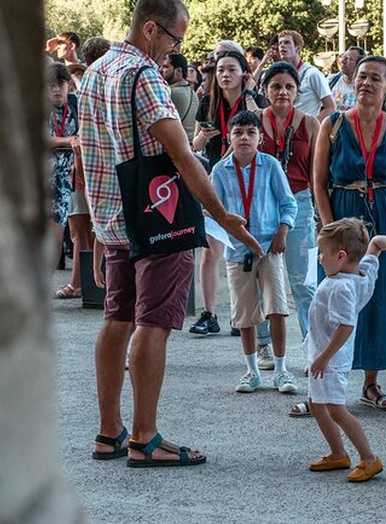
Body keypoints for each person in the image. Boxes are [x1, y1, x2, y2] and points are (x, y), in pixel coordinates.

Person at [79, 0, 260, 467]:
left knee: (116, 319)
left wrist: (100, 229)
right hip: (158, 218)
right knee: (153, 323)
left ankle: (108, 433)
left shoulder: (97, 70)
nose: (176, 49)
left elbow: (91, 153)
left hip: (114, 217)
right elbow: (181, 154)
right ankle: (145, 437)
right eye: (175, 39)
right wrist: (221, 213)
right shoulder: (144, 76)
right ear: (151, 28)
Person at [312, 56, 386, 412]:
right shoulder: (332, 124)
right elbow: (318, 180)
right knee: (336, 298)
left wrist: (384, 199)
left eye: (376, 78)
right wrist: (330, 228)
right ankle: (324, 379)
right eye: (361, 77)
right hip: (343, 214)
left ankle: (370, 383)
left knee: (378, 297)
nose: (366, 83)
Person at [305, 218, 386, 482]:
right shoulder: (361, 273)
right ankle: (338, 453)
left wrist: (323, 357)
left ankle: (369, 458)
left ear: (341, 255)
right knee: (316, 403)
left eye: (323, 252)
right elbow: (376, 244)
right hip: (322, 354)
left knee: (335, 409)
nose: (319, 258)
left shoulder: (342, 287)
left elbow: (346, 326)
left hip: (329, 358)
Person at [211, 110, 298, 394]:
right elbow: (215, 211)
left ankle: (283, 371)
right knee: (245, 315)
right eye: (238, 133)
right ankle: (251, 371)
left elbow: (288, 203)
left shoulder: (270, 165)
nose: (244, 138)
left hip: (270, 248)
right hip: (238, 252)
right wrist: (226, 231)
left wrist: (283, 230)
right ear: (229, 138)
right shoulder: (220, 171)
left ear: (260, 138)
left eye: (251, 132)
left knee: (277, 309)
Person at [190, 49, 265, 336]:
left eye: (232, 69)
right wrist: (202, 138)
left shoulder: (253, 100)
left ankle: (244, 315)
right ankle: (209, 314)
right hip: (214, 180)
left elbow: (262, 131)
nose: (225, 75)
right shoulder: (208, 101)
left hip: (247, 181)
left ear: (243, 73)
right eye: (221, 70)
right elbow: (195, 145)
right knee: (210, 251)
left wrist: (249, 93)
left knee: (250, 248)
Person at [253, 61, 320, 371]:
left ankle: (312, 346)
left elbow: (319, 174)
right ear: (266, 90)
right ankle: (263, 345)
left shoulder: (310, 124)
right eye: (276, 86)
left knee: (303, 281)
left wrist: (324, 216)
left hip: (300, 202)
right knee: (259, 278)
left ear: (297, 92)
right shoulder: (253, 121)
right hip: (258, 206)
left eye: (289, 87)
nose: (282, 92)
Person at [46, 63, 81, 299]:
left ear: (68, 84)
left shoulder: (77, 105)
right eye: (51, 86)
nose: (56, 90)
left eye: (60, 84)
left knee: (56, 237)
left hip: (63, 181)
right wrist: (69, 140)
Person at [275, 30, 335, 121]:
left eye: (287, 42)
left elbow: (330, 108)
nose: (282, 46)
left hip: (306, 131)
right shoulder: (282, 75)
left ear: (297, 48)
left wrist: (310, 127)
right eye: (280, 43)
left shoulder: (312, 74)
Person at [159, 53, 199, 142]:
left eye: (165, 67)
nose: (160, 70)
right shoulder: (191, 92)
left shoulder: (171, 93)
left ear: (178, 71)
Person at [327, 46, 365, 112]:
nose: (343, 61)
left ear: (359, 64)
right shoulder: (332, 80)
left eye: (348, 59)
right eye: (343, 57)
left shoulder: (364, 86)